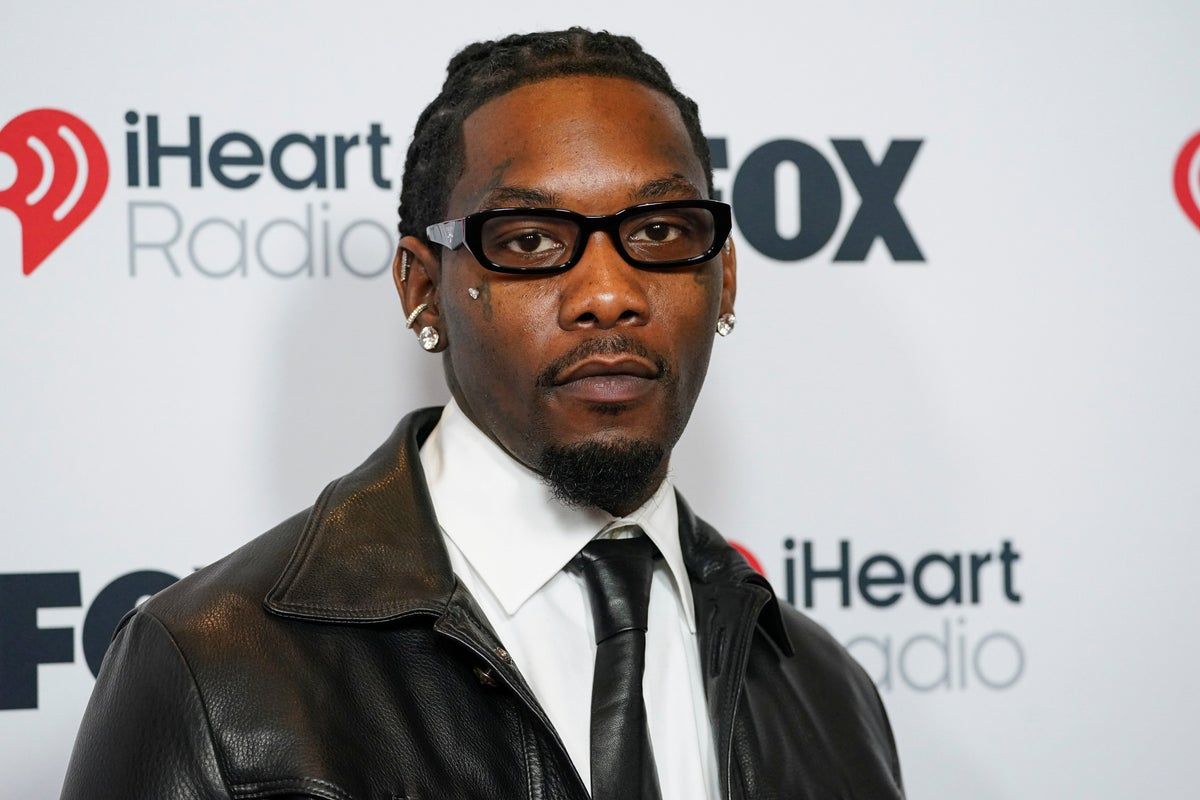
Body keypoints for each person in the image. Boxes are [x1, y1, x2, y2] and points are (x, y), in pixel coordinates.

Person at [61, 27, 904, 800]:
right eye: (530, 239)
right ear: (423, 289)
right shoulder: (213, 670)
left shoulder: (827, 694)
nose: (609, 294)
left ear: (725, 279)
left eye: (659, 232)